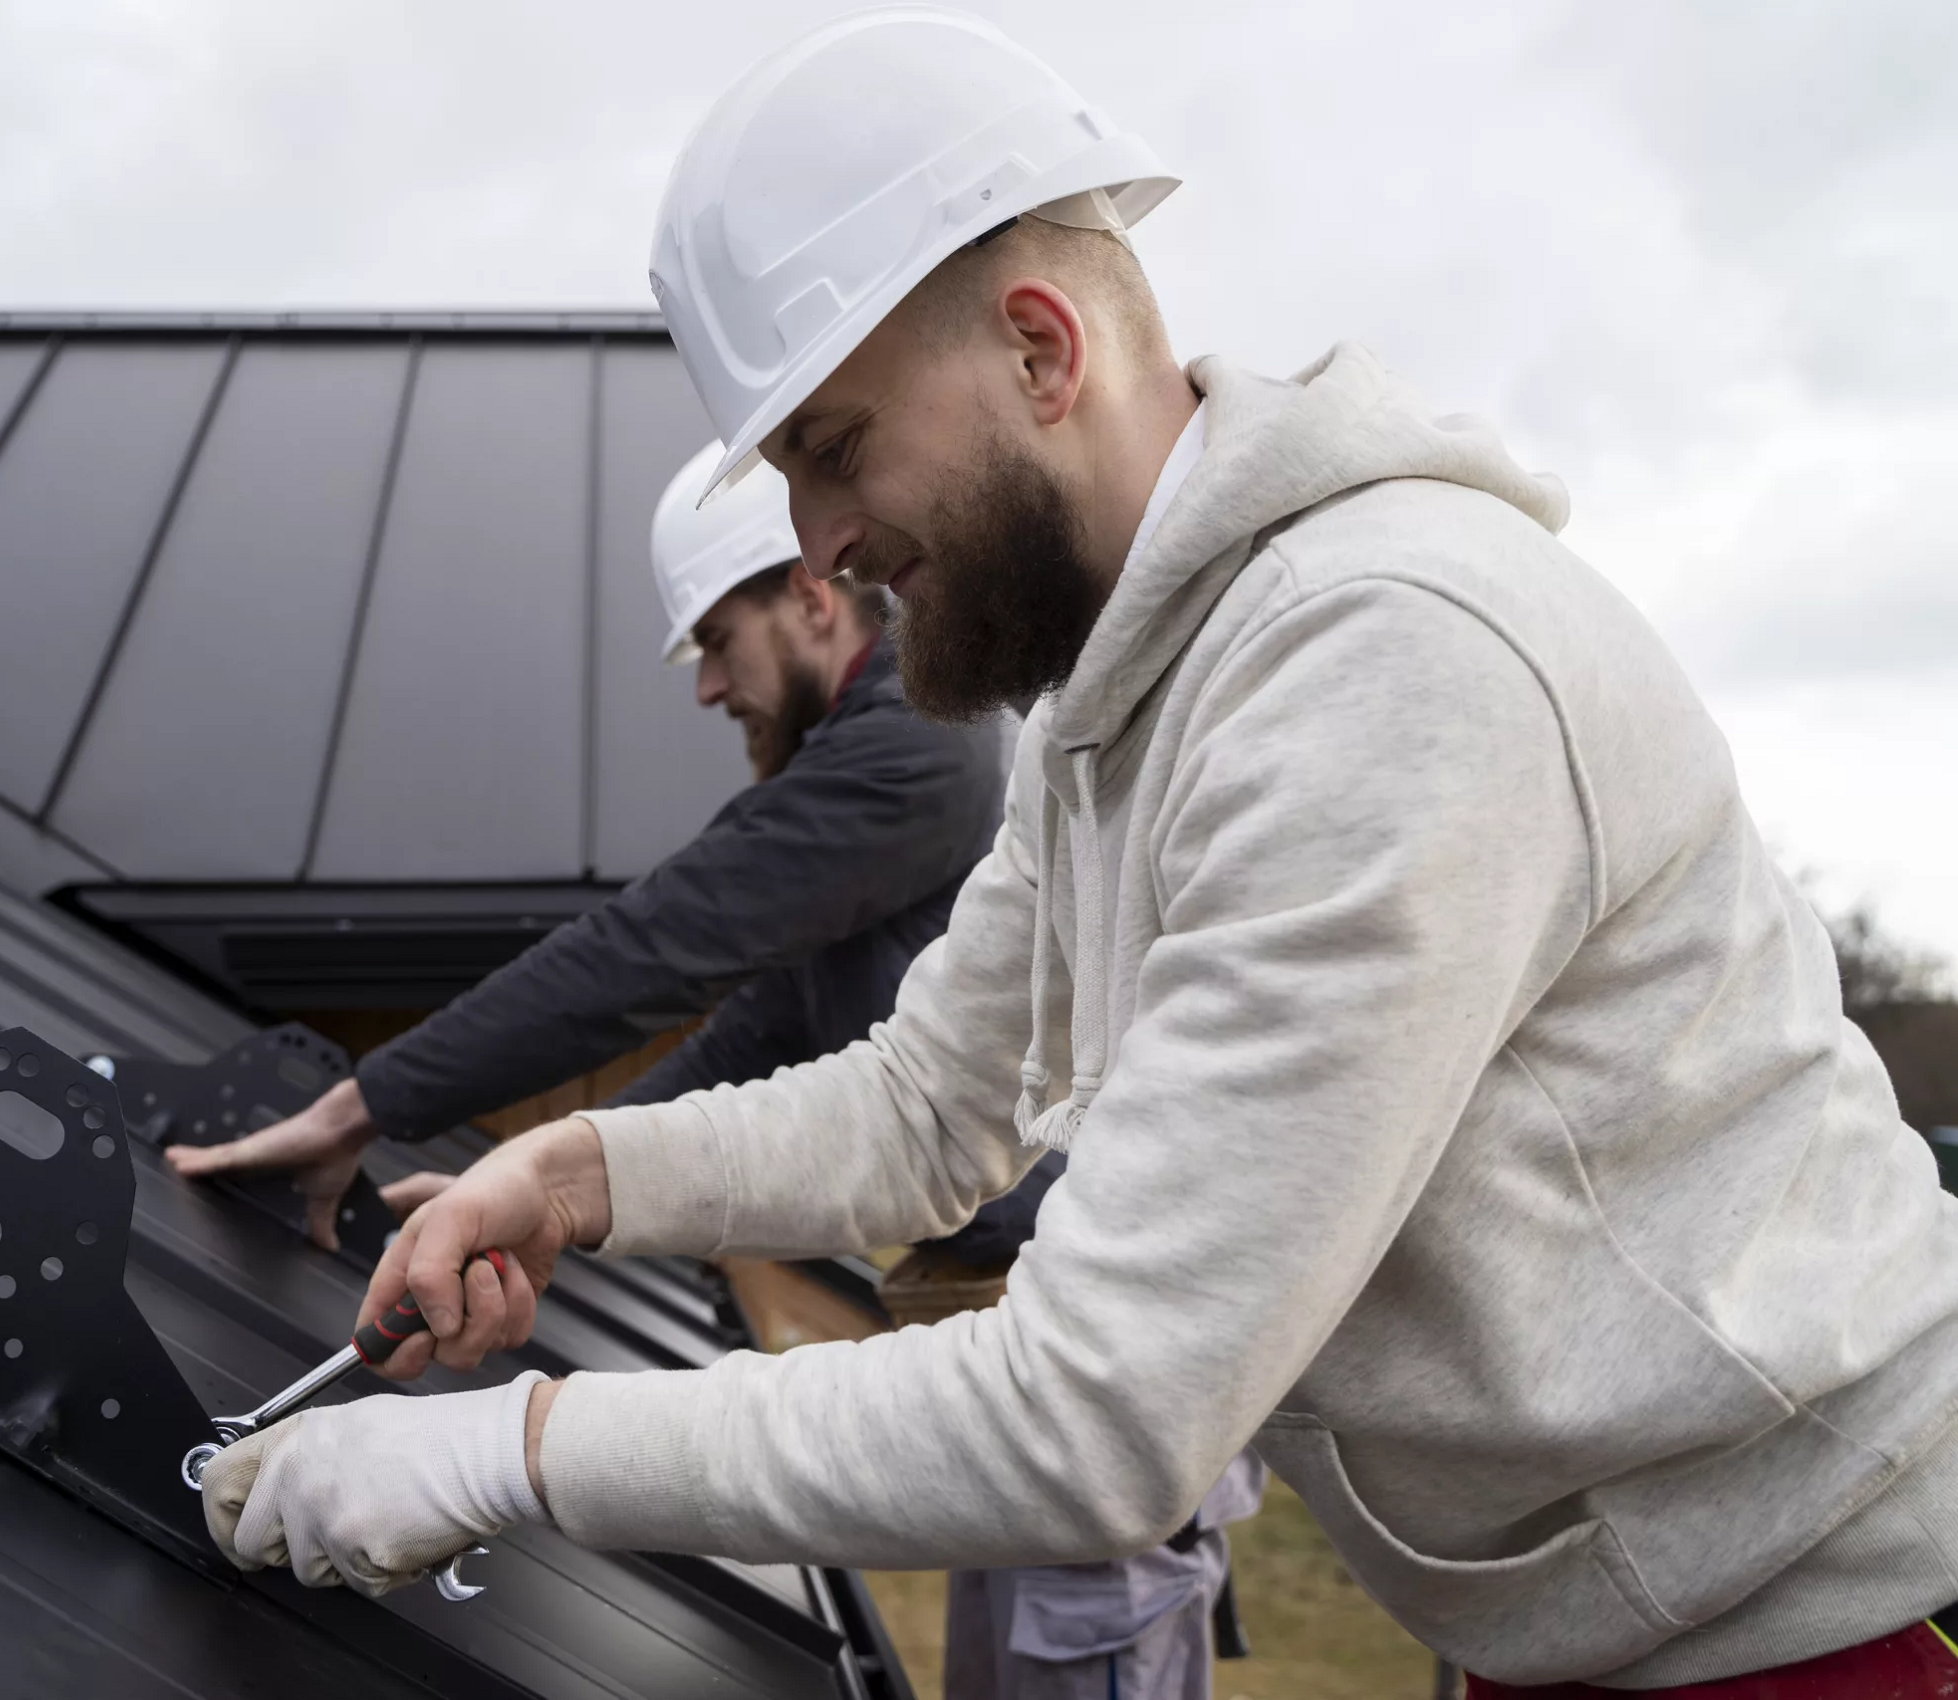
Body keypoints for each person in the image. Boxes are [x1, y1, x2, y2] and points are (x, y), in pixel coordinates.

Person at [197, 12, 1958, 1698]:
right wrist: (573, 1176)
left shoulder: (1383, 664)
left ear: (1043, 349)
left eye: (833, 447)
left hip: (1831, 1626)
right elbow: (923, 1111)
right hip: (1611, 1619)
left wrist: (517, 1451)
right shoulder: (1112, 711)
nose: (820, 540)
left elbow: (1100, 1412)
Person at [169, 436, 1047, 1258]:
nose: (708, 688)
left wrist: (357, 1110)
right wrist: (536, 1177)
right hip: (979, 1247)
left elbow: (656, 945)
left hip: (1028, 1256)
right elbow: (760, 1030)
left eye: (715, 642)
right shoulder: (892, 741)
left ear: (811, 600)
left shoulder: (915, 747)